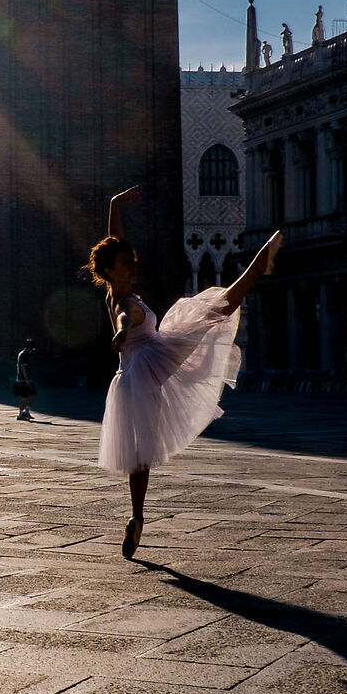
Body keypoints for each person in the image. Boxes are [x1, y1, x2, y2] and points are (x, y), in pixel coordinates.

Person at [91, 185, 281, 560]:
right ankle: (260, 264)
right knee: (214, 309)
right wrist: (121, 330)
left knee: (141, 456)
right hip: (148, 362)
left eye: (133, 260)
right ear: (111, 270)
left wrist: (114, 205)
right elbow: (125, 317)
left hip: (135, 373)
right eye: (126, 262)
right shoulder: (122, 301)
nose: (133, 264)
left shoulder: (114, 289)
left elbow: (116, 243)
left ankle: (137, 517)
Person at [13, 338, 40, 421]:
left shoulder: (28, 354)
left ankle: (26, 411)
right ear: (30, 347)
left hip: (28, 378)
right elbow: (23, 367)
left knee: (33, 394)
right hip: (22, 379)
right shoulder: (23, 355)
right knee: (24, 397)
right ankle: (20, 414)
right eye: (32, 347)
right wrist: (27, 380)